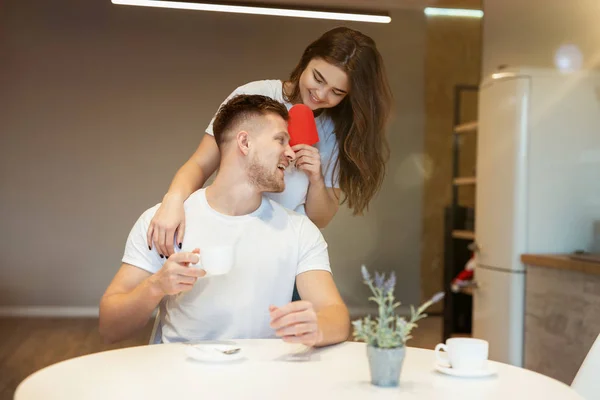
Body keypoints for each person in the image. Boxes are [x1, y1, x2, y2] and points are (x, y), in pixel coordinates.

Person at [99, 95, 350, 346]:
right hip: (180, 379)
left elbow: (336, 316)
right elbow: (110, 327)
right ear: (244, 142)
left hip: (265, 379)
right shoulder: (165, 224)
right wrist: (156, 286)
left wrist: (318, 328)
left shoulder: (299, 231)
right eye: (280, 140)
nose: (290, 153)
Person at [147, 26, 393, 258]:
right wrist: (172, 202)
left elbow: (321, 220)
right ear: (307, 59)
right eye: (318, 78)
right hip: (229, 236)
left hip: (285, 251)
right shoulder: (255, 96)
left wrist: (316, 179)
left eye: (337, 92)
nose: (321, 94)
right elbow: (200, 164)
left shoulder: (336, 132)